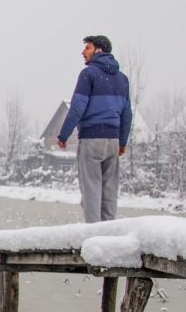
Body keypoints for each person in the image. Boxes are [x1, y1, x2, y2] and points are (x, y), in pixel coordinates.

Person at [57, 34, 133, 223]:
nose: (83, 52)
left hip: (92, 138)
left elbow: (77, 107)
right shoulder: (122, 79)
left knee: (91, 189)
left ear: (99, 50)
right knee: (109, 191)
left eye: (88, 48)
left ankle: (93, 236)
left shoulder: (89, 74)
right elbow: (127, 114)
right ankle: (109, 234)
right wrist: (122, 142)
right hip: (113, 141)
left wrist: (64, 134)